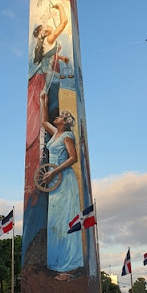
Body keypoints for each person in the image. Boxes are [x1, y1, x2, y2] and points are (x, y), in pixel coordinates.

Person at [40, 91, 83, 281]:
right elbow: (43, 123)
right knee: (55, 221)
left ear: (64, 122)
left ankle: (69, 266)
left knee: (66, 219)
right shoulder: (55, 133)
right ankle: (58, 264)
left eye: (59, 116)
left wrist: (55, 171)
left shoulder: (67, 136)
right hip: (54, 181)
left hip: (63, 179)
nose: (55, 117)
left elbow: (73, 158)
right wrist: (44, 101)